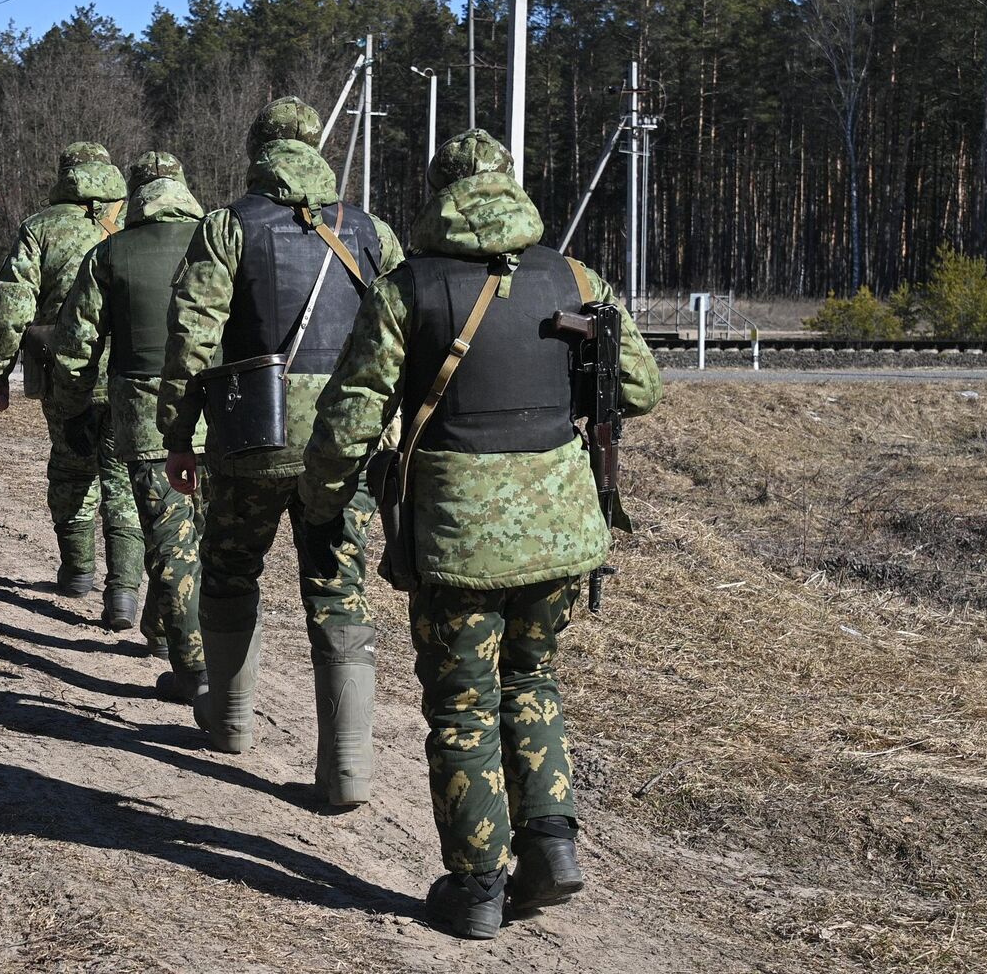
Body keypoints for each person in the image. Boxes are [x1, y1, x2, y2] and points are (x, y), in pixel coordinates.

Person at [297, 129, 663, 938]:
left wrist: (324, 502)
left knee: (463, 709)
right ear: (510, 186)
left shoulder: (410, 288)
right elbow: (639, 388)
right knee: (533, 683)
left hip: (460, 538)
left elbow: (352, 418)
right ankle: (553, 847)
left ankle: (475, 891)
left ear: (440, 192)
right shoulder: (575, 277)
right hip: (564, 530)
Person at [157, 97, 403, 808]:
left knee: (231, 568)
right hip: (345, 444)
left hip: (251, 440)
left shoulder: (229, 226)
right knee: (337, 586)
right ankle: (348, 771)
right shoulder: (369, 231)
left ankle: (231, 721)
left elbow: (192, 338)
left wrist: (181, 435)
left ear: (258, 151)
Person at [49, 151, 209, 707]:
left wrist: (72, 412)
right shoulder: (221, 241)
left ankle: (193, 667)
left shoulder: (110, 252)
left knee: (168, 540)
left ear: (133, 194)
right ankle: (171, 636)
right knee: (212, 538)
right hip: (229, 411)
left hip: (145, 413)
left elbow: (75, 350)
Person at [0, 143, 143, 625]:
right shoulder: (138, 221)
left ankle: (75, 573)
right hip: (130, 372)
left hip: (63, 372)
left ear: (66, 175)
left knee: (72, 469)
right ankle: (124, 594)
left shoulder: (42, 227)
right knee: (123, 480)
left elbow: (12, 304)